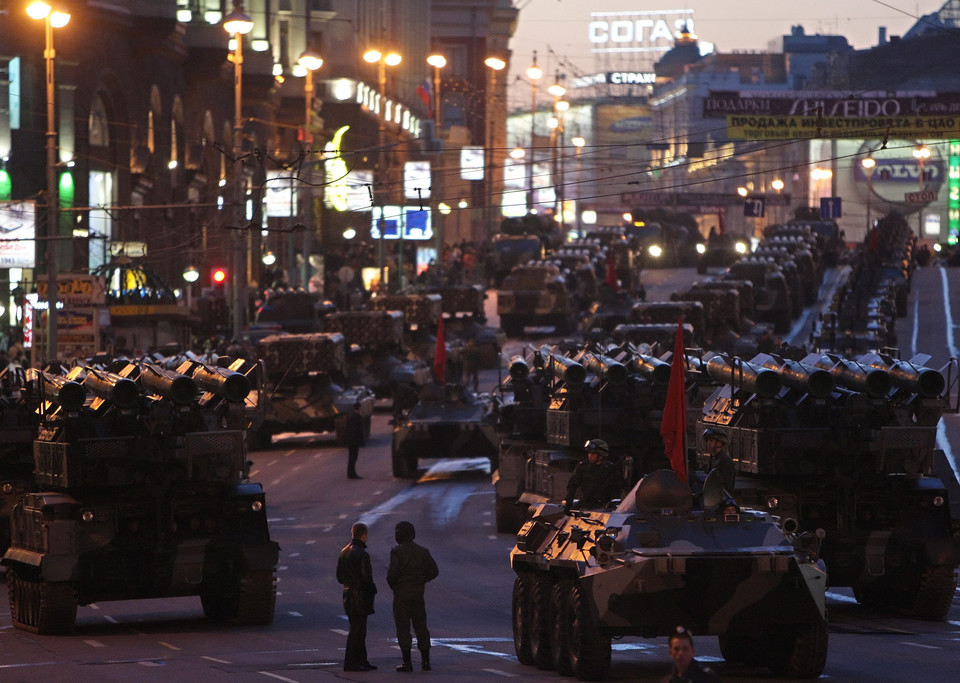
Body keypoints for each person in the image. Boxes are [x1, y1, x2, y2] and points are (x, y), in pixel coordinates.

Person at [387, 521, 440, 672]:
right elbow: (434, 571)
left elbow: (392, 575)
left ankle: (407, 663)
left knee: (403, 628)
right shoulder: (422, 551)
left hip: (401, 595)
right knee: (421, 627)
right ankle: (425, 662)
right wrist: (421, 580)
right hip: (418, 593)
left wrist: (396, 585)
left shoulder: (397, 552)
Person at [336, 522, 378, 672]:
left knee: (358, 629)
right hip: (360, 596)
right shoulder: (362, 554)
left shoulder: (344, 551)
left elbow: (339, 577)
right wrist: (373, 590)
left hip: (348, 595)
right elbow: (366, 578)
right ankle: (351, 662)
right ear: (364, 535)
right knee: (358, 631)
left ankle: (361, 660)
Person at [563, 438, 623, 511]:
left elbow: (618, 488)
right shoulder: (582, 467)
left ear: (600, 456)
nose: (590, 456)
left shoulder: (610, 468)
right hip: (586, 505)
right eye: (589, 453)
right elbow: (572, 486)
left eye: (593, 454)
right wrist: (568, 505)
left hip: (606, 507)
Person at [702, 428, 735, 494]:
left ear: (719, 442)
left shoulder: (725, 461)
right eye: (708, 441)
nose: (708, 443)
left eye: (711, 441)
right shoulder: (713, 458)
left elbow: (727, 486)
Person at [344, 402, 366, 480]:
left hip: (350, 441)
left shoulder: (351, 416)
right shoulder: (357, 417)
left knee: (352, 458)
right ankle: (352, 474)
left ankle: (351, 473)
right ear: (359, 408)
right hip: (354, 441)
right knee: (353, 458)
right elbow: (357, 430)